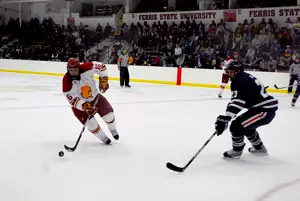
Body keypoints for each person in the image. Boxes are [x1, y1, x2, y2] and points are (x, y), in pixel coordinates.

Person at [214, 61, 278, 159]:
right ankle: (259, 148)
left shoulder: (238, 81)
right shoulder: (244, 77)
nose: (228, 74)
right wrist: (227, 116)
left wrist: (227, 117)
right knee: (247, 127)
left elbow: (238, 102)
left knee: (236, 126)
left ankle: (236, 151)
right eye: (228, 71)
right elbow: (239, 100)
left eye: (230, 71)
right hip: (263, 108)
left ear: (237, 71)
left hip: (264, 111)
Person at [62, 58, 119, 145]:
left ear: (79, 68)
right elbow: (72, 99)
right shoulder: (66, 81)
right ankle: (104, 138)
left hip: (95, 98)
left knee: (109, 116)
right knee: (92, 125)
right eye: (70, 70)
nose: (73, 72)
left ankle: (113, 130)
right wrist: (84, 106)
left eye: (75, 70)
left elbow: (102, 67)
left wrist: (103, 79)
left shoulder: (86, 67)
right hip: (80, 107)